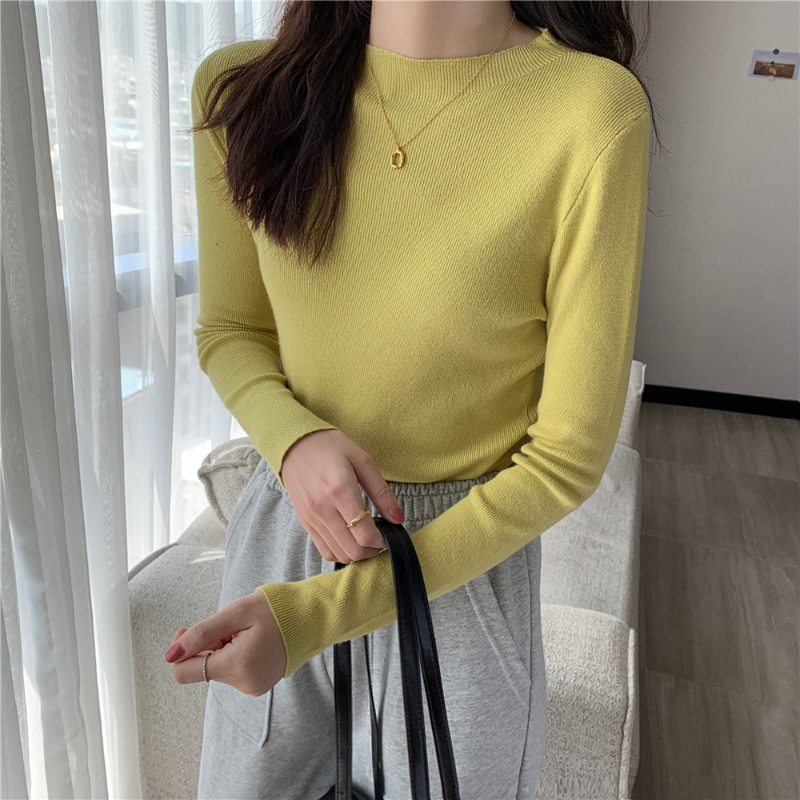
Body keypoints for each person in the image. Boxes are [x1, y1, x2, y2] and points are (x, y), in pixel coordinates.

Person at [165, 1, 658, 797]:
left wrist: (317, 615)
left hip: (463, 566)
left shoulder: (590, 108)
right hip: (284, 536)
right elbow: (231, 328)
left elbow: (567, 456)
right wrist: (293, 441)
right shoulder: (244, 89)